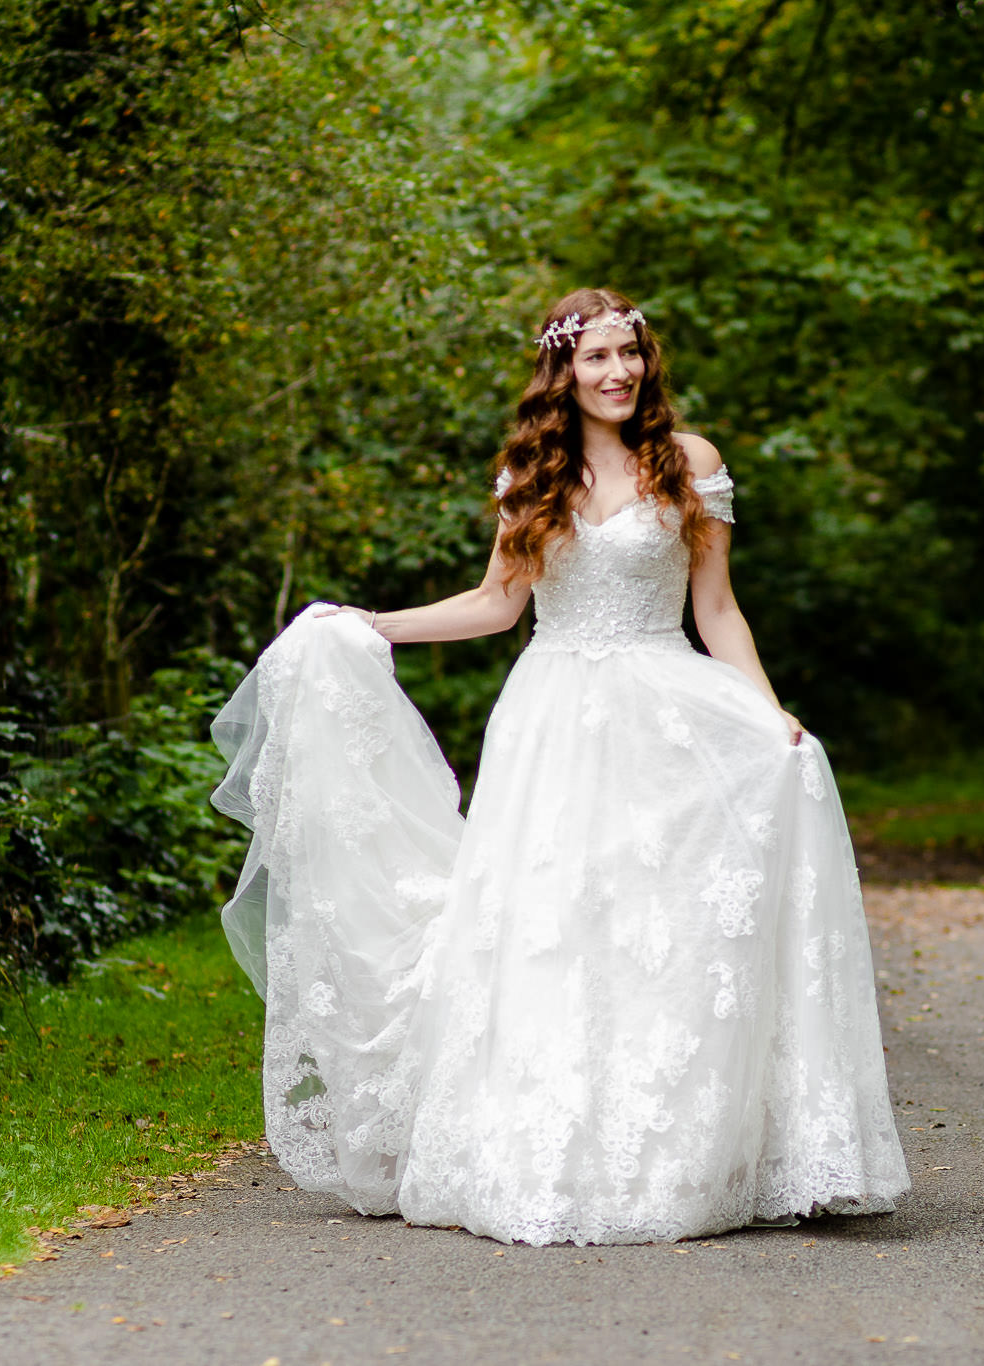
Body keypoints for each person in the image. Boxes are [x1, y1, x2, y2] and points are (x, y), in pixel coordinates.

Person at [209, 287, 907, 1246]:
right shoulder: (533, 472)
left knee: (660, 928)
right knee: (551, 927)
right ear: (564, 374)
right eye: (596, 359)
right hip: (551, 722)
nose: (617, 372)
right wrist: (372, 625)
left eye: (629, 354)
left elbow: (718, 612)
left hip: (667, 712)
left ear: (646, 362)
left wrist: (768, 710)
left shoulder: (690, 463)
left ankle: (679, 1152)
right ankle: (546, 1148)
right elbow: (499, 606)